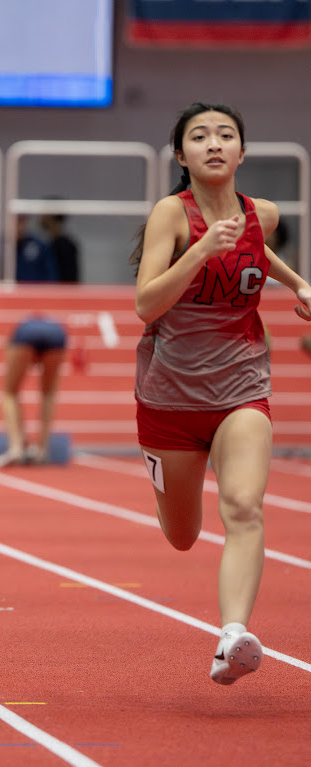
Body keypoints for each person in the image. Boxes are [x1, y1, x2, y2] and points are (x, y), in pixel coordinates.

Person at [130, 102, 311, 686]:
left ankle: (233, 635)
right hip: (169, 402)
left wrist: (299, 284)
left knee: (243, 507)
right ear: (181, 156)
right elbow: (146, 305)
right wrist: (203, 250)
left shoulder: (264, 214)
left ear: (241, 152)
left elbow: (255, 247)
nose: (214, 143)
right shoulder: (170, 215)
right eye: (200, 136)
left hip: (241, 388)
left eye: (226, 135)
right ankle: (171, 497)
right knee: (182, 536)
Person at [0, 317, 67, 468]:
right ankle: (42, 450)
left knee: (9, 393)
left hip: (25, 336)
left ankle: (16, 448)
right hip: (57, 336)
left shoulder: (15, 339)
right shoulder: (51, 328)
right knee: (48, 394)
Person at [40, 211, 81, 283]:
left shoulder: (65, 246)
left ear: (51, 217)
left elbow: (70, 278)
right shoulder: (49, 244)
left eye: (44, 214)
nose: (41, 217)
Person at [14, 215, 58, 282]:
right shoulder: (2, 247)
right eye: (17, 221)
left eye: (22, 221)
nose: (19, 226)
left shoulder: (40, 246)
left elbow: (51, 276)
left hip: (35, 288)